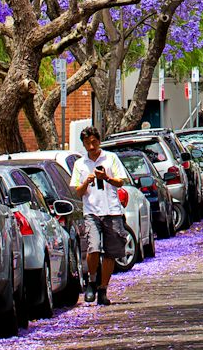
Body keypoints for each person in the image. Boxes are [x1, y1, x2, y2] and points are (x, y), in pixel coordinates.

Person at [69, 127, 130, 306]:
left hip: (112, 210)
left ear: (99, 141)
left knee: (111, 253)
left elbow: (121, 181)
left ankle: (103, 289)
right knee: (93, 248)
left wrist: (107, 177)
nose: (91, 146)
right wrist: (86, 181)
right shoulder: (80, 164)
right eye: (87, 143)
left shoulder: (111, 158)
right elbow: (78, 192)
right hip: (92, 212)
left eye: (94, 141)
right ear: (84, 144)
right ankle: (92, 280)